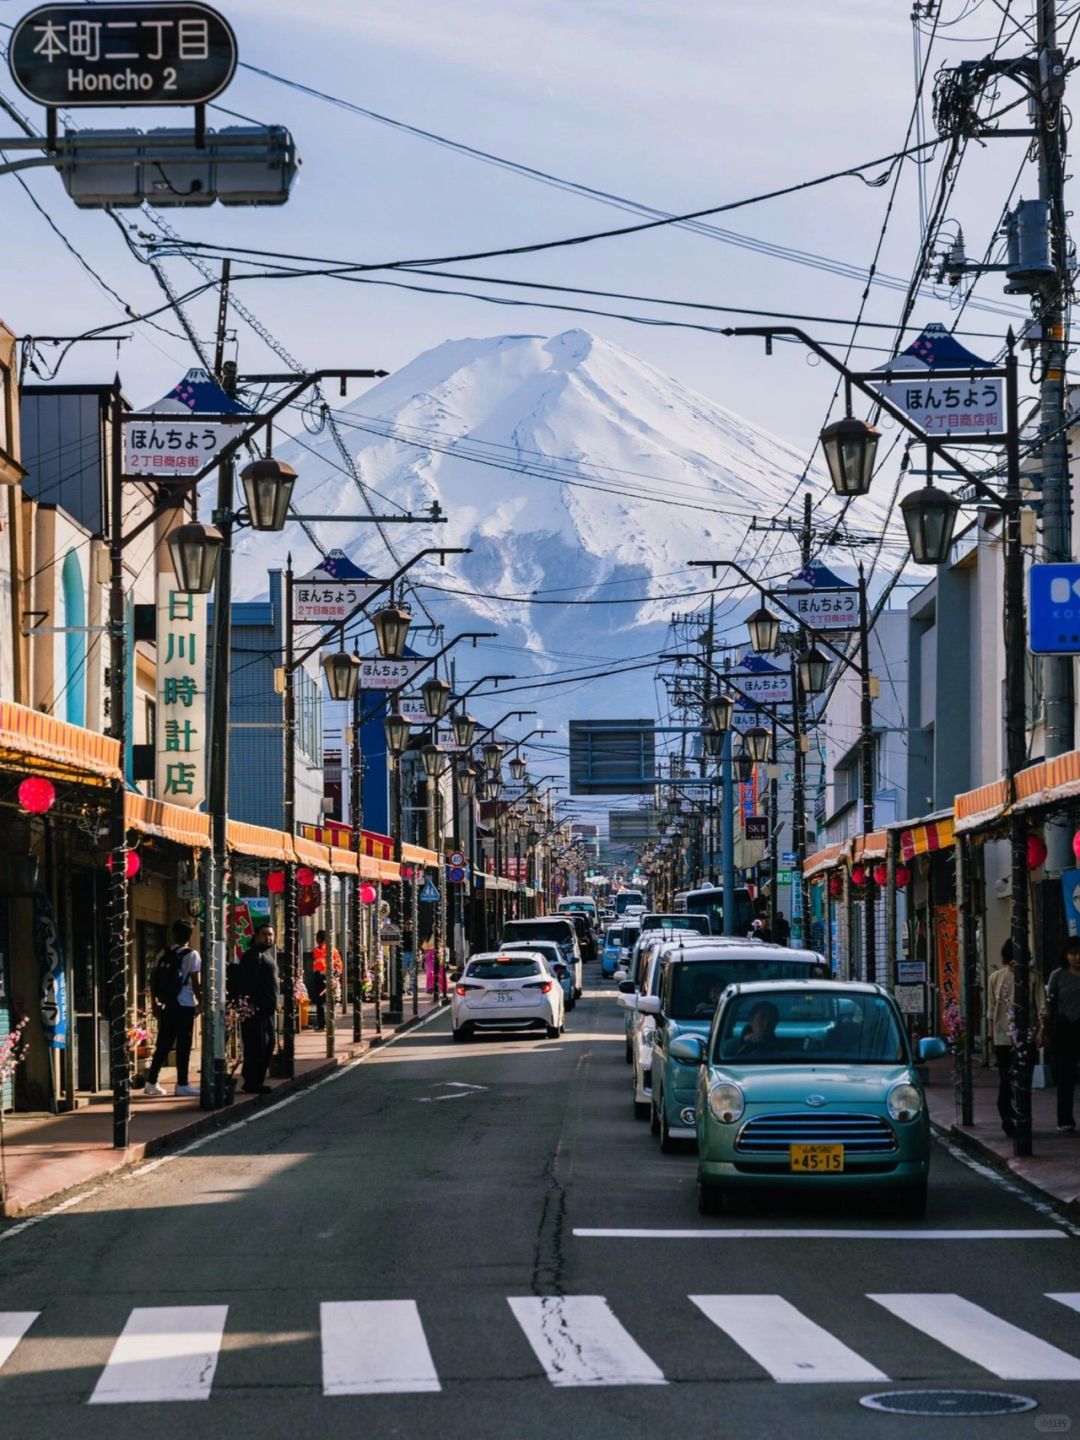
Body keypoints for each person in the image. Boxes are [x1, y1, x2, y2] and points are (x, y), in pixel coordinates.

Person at [987, 937, 1047, 1137]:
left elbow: (1041, 1006)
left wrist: (1041, 1030)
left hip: (1026, 1035)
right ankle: (1006, 1113)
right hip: (1002, 1035)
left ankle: (1023, 1117)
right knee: (1006, 1077)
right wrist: (991, 1035)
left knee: (1024, 1079)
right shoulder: (996, 977)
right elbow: (991, 1009)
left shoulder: (1033, 977)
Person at [145, 919, 201, 1098]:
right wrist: (202, 1002)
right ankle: (182, 1084)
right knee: (184, 1045)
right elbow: (195, 982)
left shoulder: (163, 952)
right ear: (189, 936)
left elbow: (152, 978)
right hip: (184, 1005)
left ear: (174, 934)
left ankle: (151, 1082)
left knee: (163, 1044)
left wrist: (154, 1003)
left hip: (167, 1004)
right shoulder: (192, 955)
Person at [229, 923, 280, 1095]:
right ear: (256, 936)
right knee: (257, 1045)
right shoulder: (252, 957)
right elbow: (247, 983)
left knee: (266, 1044)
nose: (269, 937)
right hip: (256, 1010)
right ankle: (252, 1081)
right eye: (265, 934)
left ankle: (254, 1079)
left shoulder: (264, 955)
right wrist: (250, 1004)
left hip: (266, 1009)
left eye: (271, 934)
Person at [1045, 938, 1080, 1132]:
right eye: (1073, 953)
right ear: (1066, 955)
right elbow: (1051, 1005)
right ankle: (1065, 1119)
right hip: (1065, 1028)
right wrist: (1048, 1029)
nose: (1077, 958)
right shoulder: (1057, 976)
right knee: (1065, 1077)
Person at [311, 930, 342, 1030]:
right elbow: (339, 965)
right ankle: (329, 1022)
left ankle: (322, 1024)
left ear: (319, 939)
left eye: (317, 938)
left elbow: (318, 964)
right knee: (330, 1000)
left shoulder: (319, 950)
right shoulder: (333, 950)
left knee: (320, 1001)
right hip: (329, 976)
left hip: (321, 977)